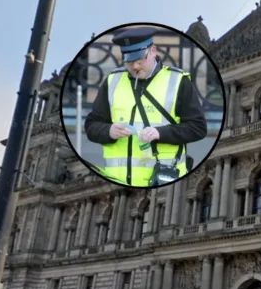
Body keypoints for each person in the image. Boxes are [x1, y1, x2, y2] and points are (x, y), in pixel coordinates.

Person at [84, 26, 207, 187]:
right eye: (129, 61)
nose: (135, 67)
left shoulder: (178, 81)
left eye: (139, 60)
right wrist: (108, 131)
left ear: (153, 51)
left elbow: (198, 128)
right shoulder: (112, 82)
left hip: (164, 181)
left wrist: (160, 133)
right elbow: (91, 125)